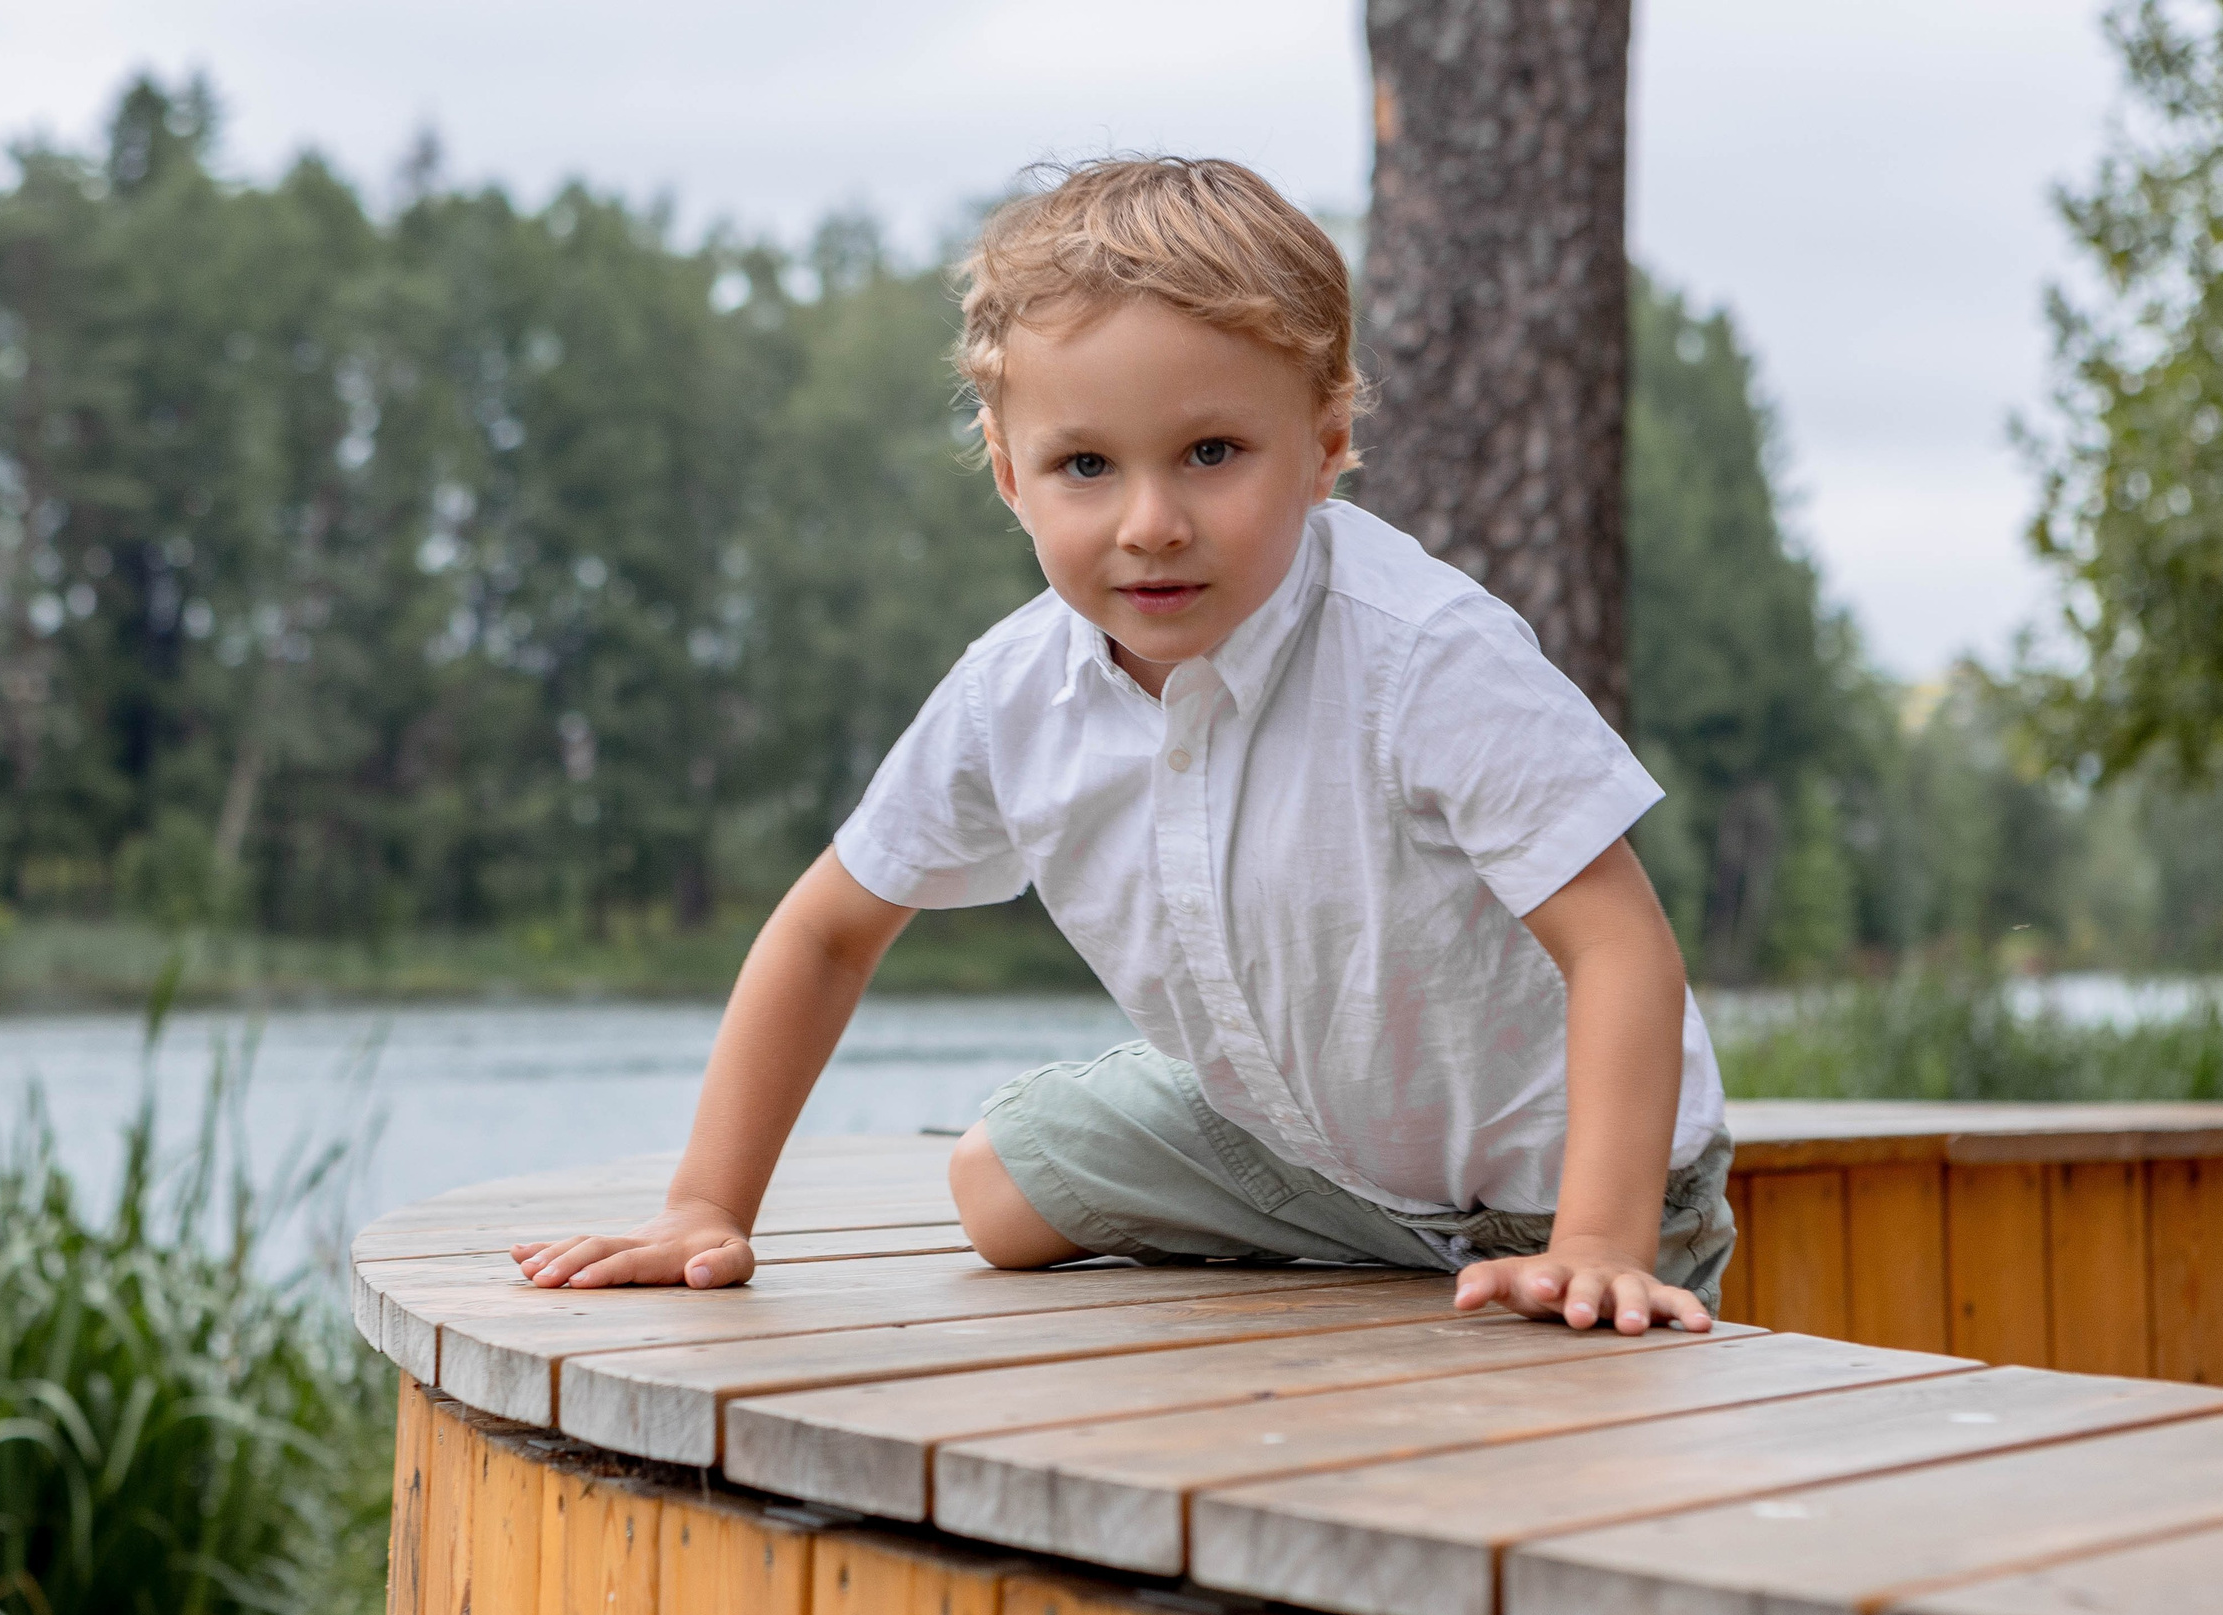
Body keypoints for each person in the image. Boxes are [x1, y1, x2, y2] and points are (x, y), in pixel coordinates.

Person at [513, 157, 1734, 1334]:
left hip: (1553, 1184)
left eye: (1211, 455)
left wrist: (1600, 1242)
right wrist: (704, 1207)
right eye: (1086, 466)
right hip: (1312, 1152)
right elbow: (827, 931)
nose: (1152, 525)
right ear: (1008, 475)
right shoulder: (1013, 693)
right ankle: (1350, 1223)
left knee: (1542, 1406)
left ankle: (1539, 1251)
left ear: (1323, 442)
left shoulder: (1422, 655)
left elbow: (1621, 947)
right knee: (995, 1193)